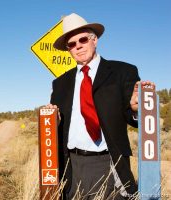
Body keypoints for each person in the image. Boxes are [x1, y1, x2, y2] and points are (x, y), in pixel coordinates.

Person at [45, 13, 154, 199]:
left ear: (94, 40)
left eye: (83, 39)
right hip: (73, 167)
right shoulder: (60, 83)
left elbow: (133, 117)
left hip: (110, 163)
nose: (78, 46)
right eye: (72, 44)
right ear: (68, 50)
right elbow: (59, 127)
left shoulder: (123, 72)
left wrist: (137, 109)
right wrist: (52, 120)